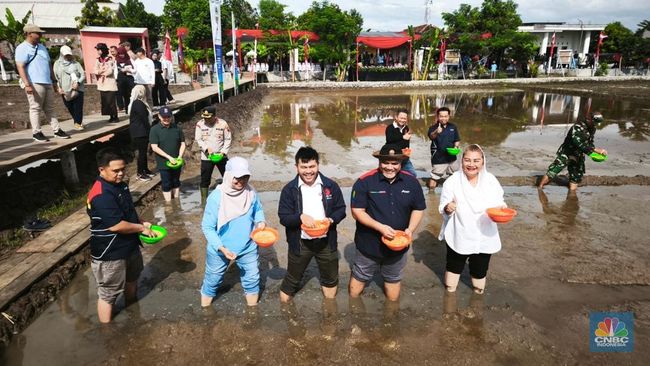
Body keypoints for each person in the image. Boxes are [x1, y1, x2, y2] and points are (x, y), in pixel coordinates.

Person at [349, 145, 426, 301]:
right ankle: (353, 309)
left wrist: (410, 229)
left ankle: (391, 314)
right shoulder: (364, 182)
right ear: (379, 161)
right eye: (386, 162)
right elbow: (357, 211)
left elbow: (418, 209)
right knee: (361, 275)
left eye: (394, 163)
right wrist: (380, 227)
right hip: (368, 244)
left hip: (398, 244)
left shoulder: (412, 182)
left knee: (393, 277)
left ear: (401, 163)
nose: (390, 167)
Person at [86, 147, 154, 323]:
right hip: (110, 252)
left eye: (123, 169)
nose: (121, 173)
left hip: (129, 245)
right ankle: (107, 331)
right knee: (108, 293)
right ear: (102, 170)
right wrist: (141, 229)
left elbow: (127, 210)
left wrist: (141, 221)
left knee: (132, 278)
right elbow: (116, 225)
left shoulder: (121, 185)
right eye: (115, 171)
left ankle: (132, 308)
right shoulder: (100, 194)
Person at [278, 146, 347, 303]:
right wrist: (300, 217)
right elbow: (283, 217)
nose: (308, 171)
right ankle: (286, 313)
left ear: (318, 165)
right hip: (300, 242)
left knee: (330, 279)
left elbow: (341, 209)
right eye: (304, 167)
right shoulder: (289, 190)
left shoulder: (330, 186)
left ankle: (329, 314)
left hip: (326, 241)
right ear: (297, 167)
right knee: (291, 281)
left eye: (312, 167)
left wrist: (331, 220)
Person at [438, 144, 506, 294]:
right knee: (453, 268)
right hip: (460, 231)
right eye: (467, 160)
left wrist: (502, 210)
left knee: (479, 272)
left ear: (483, 161)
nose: (471, 164)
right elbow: (443, 204)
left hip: (484, 233)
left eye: (476, 160)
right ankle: (449, 298)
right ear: (462, 161)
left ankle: (477, 296)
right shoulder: (453, 181)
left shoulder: (490, 180)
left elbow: (500, 202)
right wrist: (448, 207)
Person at [200, 157, 266, 308]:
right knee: (212, 280)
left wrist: (261, 222)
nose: (241, 181)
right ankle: (205, 312)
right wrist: (221, 248)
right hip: (220, 249)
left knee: (252, 279)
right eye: (237, 177)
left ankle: (253, 313)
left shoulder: (251, 192)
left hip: (248, 247)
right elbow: (207, 227)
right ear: (228, 175)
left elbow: (258, 210)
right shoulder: (217, 197)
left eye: (245, 177)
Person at [15, 24, 70, 142]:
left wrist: (54, 81)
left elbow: (48, 64)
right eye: (37, 33)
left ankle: (57, 130)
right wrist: (26, 84)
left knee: (50, 108)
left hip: (47, 82)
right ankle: (36, 132)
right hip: (34, 82)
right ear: (29, 34)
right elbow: (20, 66)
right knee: (35, 108)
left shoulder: (42, 47)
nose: (40, 35)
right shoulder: (22, 48)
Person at [538, 112, 608, 191]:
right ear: (590, 119)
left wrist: (595, 152)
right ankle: (540, 188)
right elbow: (577, 143)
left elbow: (589, 142)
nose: (596, 125)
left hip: (578, 155)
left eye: (598, 123)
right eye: (596, 122)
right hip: (567, 152)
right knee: (553, 171)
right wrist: (594, 150)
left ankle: (572, 195)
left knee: (576, 177)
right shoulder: (577, 127)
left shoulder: (592, 128)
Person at [194, 106, 232, 200]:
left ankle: (230, 196)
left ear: (214, 116)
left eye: (209, 117)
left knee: (228, 177)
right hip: (207, 157)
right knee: (205, 180)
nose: (206, 119)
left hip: (221, 156)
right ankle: (204, 200)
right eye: (204, 117)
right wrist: (206, 149)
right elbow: (198, 139)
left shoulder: (223, 124)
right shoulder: (199, 124)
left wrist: (223, 152)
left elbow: (228, 139)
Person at [150, 106, 185, 201]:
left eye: (168, 116)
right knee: (166, 183)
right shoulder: (154, 130)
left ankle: (177, 202)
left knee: (176, 181)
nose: (166, 119)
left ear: (171, 116)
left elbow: (182, 143)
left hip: (177, 161)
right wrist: (168, 157)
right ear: (159, 116)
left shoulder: (177, 128)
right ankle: (169, 204)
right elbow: (154, 147)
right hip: (163, 162)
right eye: (164, 117)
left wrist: (180, 156)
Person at [427, 107, 461, 190]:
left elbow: (457, 139)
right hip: (439, 158)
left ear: (449, 116)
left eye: (446, 116)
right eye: (441, 116)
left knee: (455, 176)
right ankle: (431, 195)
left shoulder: (453, 127)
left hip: (452, 157)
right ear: (438, 117)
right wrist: (436, 132)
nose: (443, 118)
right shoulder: (433, 128)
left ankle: (452, 193)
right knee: (434, 178)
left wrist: (456, 147)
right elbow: (431, 136)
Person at [53, 45, 85, 131]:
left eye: (69, 54)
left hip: (77, 88)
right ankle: (77, 121)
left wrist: (78, 82)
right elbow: (56, 78)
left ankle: (78, 123)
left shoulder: (76, 64)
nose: (67, 56)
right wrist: (58, 88)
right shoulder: (57, 64)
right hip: (65, 90)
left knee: (78, 107)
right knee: (69, 107)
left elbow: (83, 75)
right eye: (65, 55)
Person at [128, 85, 154, 181]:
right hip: (140, 132)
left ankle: (145, 169)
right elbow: (144, 119)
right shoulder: (138, 103)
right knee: (141, 153)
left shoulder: (139, 103)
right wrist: (149, 130)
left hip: (141, 131)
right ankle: (140, 172)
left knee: (144, 152)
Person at [385, 108, 417, 176]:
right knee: (392, 175)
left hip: (404, 157)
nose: (403, 120)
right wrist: (402, 137)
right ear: (396, 117)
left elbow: (406, 142)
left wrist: (407, 150)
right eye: (401, 118)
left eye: (404, 118)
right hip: (393, 157)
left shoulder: (406, 128)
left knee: (413, 174)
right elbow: (389, 139)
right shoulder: (390, 128)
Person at [94, 43, 119, 123]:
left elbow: (110, 71)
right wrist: (100, 71)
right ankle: (110, 116)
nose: (98, 51)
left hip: (110, 82)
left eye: (99, 50)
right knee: (105, 101)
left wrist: (101, 72)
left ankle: (115, 116)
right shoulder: (97, 60)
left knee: (111, 101)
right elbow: (95, 70)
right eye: (97, 50)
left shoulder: (110, 59)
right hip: (102, 83)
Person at [115, 46, 135, 114]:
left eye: (123, 53)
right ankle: (121, 107)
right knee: (121, 94)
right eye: (120, 53)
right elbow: (115, 71)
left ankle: (129, 109)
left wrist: (128, 70)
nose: (121, 55)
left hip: (129, 79)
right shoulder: (116, 61)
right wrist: (116, 79)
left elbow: (134, 70)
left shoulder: (129, 60)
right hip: (120, 79)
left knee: (129, 94)